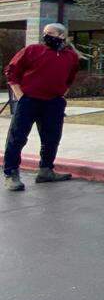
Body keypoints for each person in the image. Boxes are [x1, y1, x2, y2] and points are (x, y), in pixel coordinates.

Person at [3, 23, 80, 191]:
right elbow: (11, 71)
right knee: (17, 138)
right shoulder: (32, 50)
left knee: (52, 138)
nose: (45, 35)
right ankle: (11, 174)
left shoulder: (70, 56)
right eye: (44, 33)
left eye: (50, 33)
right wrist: (20, 95)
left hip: (53, 103)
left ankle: (46, 170)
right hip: (29, 101)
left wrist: (61, 95)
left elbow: (70, 78)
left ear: (61, 36)